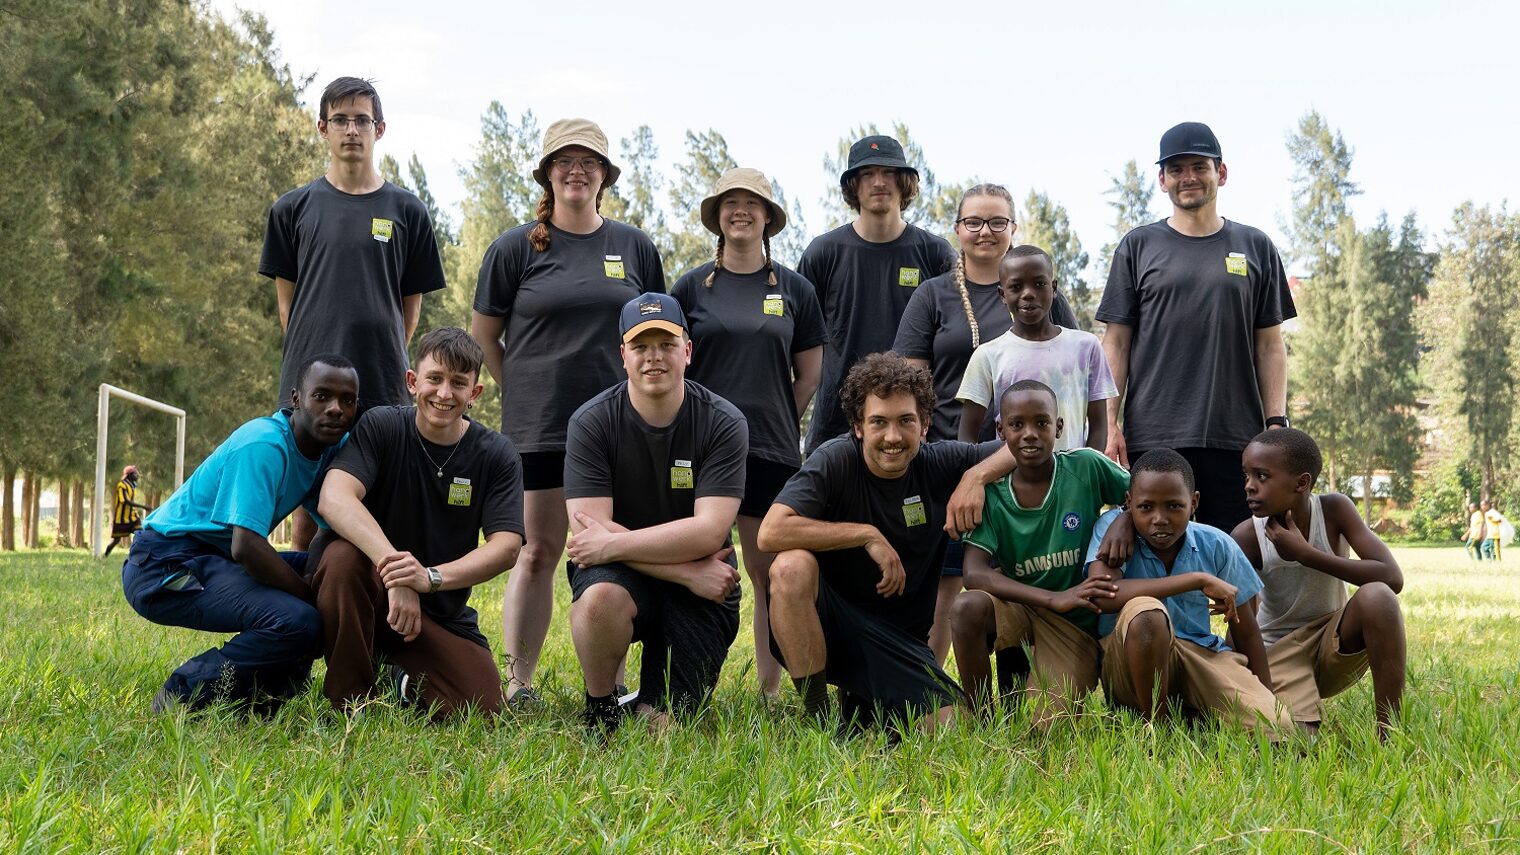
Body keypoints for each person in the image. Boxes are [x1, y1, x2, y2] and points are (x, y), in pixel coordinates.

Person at [471, 118, 665, 707]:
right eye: (565, 161)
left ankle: (610, 679)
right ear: (548, 173)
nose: (576, 171)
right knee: (536, 551)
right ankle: (520, 681)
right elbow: (484, 339)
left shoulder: (634, 247)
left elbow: (654, 332)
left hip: (620, 430)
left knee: (620, 546)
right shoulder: (513, 247)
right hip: (538, 428)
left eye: (589, 162)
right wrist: (525, 391)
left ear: (605, 175)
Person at [759, 353, 1015, 732]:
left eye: (905, 421)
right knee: (791, 566)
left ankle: (861, 707)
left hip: (899, 643)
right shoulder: (835, 460)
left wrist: (975, 477)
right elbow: (770, 533)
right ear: (858, 426)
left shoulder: (939, 463)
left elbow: (1023, 446)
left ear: (925, 424)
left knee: (953, 728)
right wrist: (866, 535)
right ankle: (818, 718)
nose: (892, 437)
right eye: (878, 422)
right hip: (833, 627)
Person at [260, 76, 447, 550]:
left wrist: (379, 350)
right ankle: (302, 607)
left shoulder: (409, 211)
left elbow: (409, 312)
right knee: (306, 497)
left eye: (361, 120)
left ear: (379, 129)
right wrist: (314, 367)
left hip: (381, 379)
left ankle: (377, 602)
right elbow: (289, 307)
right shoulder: (291, 209)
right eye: (340, 120)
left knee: (379, 497)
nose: (351, 130)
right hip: (309, 381)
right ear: (322, 128)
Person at [891, 188, 1077, 664]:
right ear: (957, 230)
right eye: (973, 222)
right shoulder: (932, 295)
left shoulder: (1042, 292)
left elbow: (1072, 373)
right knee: (949, 578)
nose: (985, 232)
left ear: (1014, 229)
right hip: (956, 455)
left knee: (1019, 572)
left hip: (1037, 461)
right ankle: (929, 684)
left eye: (998, 222)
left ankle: (1022, 686)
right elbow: (912, 384)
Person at [120, 355, 358, 712]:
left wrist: (318, 576)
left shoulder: (328, 448)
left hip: (217, 559)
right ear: (296, 399)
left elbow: (329, 529)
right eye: (321, 396)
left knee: (329, 575)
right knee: (299, 618)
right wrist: (308, 594)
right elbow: (246, 546)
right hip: (164, 564)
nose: (336, 409)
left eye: (347, 400)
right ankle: (182, 693)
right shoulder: (263, 445)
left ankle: (271, 692)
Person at [312, 328, 525, 719]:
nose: (444, 393)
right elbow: (334, 498)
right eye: (435, 379)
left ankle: (405, 679)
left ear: (474, 394)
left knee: (482, 710)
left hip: (439, 611)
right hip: (370, 594)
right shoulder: (381, 426)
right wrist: (398, 573)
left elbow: (507, 547)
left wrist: (428, 578)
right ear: (413, 382)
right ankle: (351, 700)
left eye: (459, 383)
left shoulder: (496, 454)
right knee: (340, 559)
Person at [671, 167, 826, 699]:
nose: (740, 210)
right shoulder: (690, 287)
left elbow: (809, 373)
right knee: (701, 562)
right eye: (729, 202)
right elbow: (671, 368)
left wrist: (775, 414)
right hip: (700, 448)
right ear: (717, 216)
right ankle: (690, 685)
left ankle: (769, 690)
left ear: (768, 217)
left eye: (752, 203)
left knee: (765, 574)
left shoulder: (796, 289)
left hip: (770, 448)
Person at [1098, 121, 1295, 533]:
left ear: (1221, 173)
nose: (1188, 177)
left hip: (1237, 436)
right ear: (1162, 180)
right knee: (1157, 553)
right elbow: (1115, 344)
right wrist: (1109, 423)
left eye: (1199, 166)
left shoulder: (1256, 245)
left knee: (1237, 553)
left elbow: (1270, 347)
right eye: (1177, 169)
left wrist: (1275, 425)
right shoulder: (1137, 246)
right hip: (1154, 434)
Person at [563, 293, 747, 730]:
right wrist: (683, 571)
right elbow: (588, 532)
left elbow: (709, 532)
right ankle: (601, 709)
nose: (654, 358)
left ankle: (645, 703)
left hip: (705, 583)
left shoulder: (724, 422)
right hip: (669, 573)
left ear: (687, 351)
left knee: (664, 731)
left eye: (666, 344)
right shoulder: (590, 422)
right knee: (598, 600)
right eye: (641, 346)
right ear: (622, 356)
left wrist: (615, 543)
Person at [950, 381, 1132, 723]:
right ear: (1000, 431)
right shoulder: (992, 493)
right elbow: (974, 573)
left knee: (1045, 729)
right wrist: (1051, 598)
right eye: (1017, 425)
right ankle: (980, 716)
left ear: (1058, 427)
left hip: (1073, 623)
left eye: (1042, 423)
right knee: (966, 607)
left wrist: (1122, 519)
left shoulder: (1086, 466)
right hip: (1026, 606)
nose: (1030, 434)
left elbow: (1142, 498)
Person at [1087, 449, 1291, 735]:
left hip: (1199, 655)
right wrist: (1195, 579)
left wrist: (1267, 696)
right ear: (1129, 504)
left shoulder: (1217, 543)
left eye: (1173, 506)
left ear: (1193, 502)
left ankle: (1191, 710)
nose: (1160, 519)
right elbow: (1101, 595)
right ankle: (1154, 728)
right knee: (1147, 612)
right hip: (1128, 665)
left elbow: (1246, 631)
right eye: (1146, 507)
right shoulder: (1112, 531)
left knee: (1279, 729)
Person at [1231, 428, 1405, 739]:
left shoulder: (1335, 510)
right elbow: (1241, 622)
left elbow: (1392, 577)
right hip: (1279, 651)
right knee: (1297, 741)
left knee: (1378, 596)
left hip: (1334, 642)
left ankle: (1389, 730)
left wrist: (1307, 555)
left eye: (1262, 476)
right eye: (1246, 475)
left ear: (1302, 483)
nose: (1249, 486)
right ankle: (1299, 709)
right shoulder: (1247, 536)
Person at [800, 135, 956, 455]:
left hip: (911, 428)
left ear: (904, 183)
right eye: (868, 174)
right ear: (853, 186)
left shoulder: (934, 253)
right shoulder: (823, 253)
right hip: (836, 425)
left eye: (888, 172)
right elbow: (798, 341)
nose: (879, 182)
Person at [956, 246, 1114, 450]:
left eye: (1039, 284)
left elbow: (1099, 426)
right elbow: (967, 433)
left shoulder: (1086, 347)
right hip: (1010, 479)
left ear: (1054, 288)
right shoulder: (988, 355)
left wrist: (1088, 474)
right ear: (1002, 294)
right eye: (1016, 287)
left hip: (1073, 478)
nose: (1028, 294)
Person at [103, 465, 151, 558]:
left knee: (140, 533)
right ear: (129, 475)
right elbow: (125, 501)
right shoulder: (122, 485)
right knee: (116, 540)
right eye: (135, 474)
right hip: (121, 518)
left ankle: (138, 554)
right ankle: (105, 555)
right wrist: (143, 506)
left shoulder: (132, 486)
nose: (137, 475)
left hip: (132, 516)